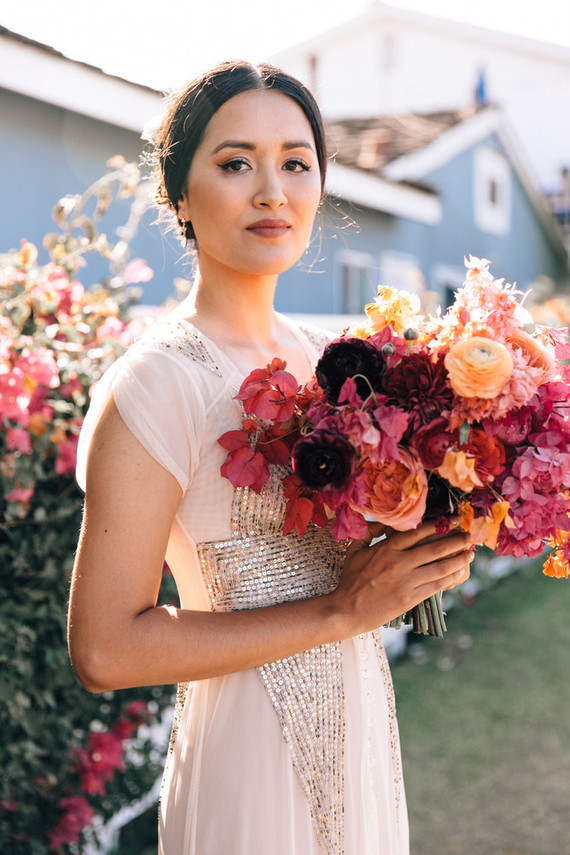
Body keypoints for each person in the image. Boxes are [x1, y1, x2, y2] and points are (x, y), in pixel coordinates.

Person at [68, 60, 473, 855]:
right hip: (245, 763)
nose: (271, 190)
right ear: (179, 195)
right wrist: (342, 611)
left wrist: (438, 531)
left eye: (295, 161)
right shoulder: (156, 382)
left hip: (363, 733)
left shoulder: (343, 363)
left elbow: (373, 560)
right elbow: (105, 647)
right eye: (234, 163)